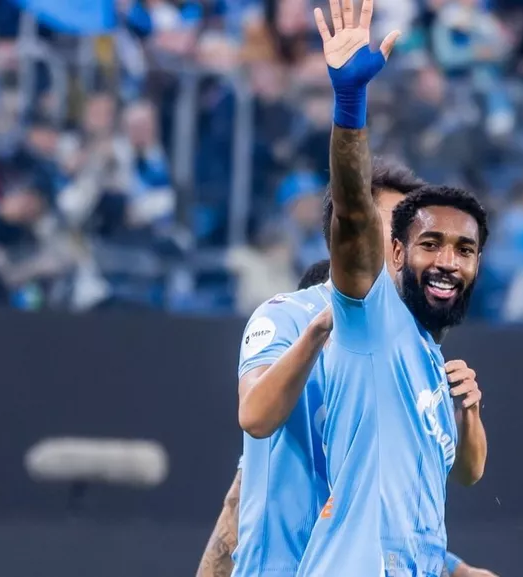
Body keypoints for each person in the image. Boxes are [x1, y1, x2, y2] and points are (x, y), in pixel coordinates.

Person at [196, 162, 496, 577]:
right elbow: (255, 420)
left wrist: (453, 568)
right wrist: (320, 329)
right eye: (393, 226)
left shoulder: (410, 350)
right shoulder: (289, 314)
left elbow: (390, 501)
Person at [296, 0, 489, 573]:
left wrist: (470, 412)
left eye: (464, 250)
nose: (448, 262)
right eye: (431, 244)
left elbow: (469, 473)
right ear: (397, 253)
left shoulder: (430, 360)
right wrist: (350, 102)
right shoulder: (371, 317)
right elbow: (354, 215)